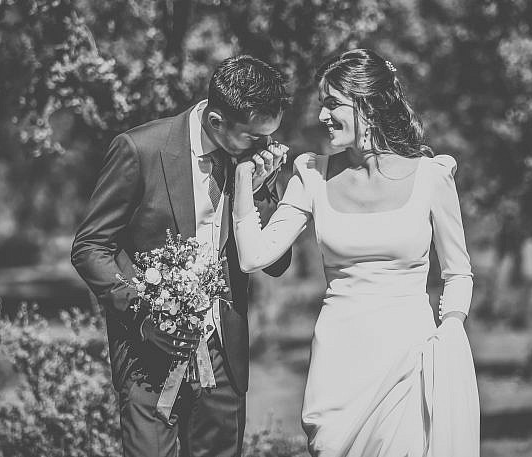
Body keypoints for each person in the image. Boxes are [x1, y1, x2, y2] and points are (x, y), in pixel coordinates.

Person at [232, 49, 480, 456]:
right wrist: (245, 181)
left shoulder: (431, 177)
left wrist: (451, 325)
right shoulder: (311, 173)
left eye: (333, 104)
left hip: (408, 356)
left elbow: (458, 273)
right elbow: (253, 257)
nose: (322, 116)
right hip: (339, 360)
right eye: (321, 104)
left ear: (369, 105)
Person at [71, 55, 292, 457]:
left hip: (223, 356)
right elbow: (90, 247)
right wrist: (143, 315)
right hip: (149, 352)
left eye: (269, 136)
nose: (267, 147)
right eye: (255, 137)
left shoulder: (253, 163)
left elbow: (276, 263)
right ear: (216, 121)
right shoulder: (140, 149)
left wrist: (259, 191)